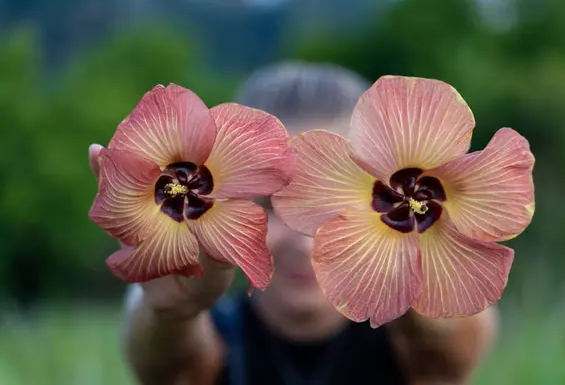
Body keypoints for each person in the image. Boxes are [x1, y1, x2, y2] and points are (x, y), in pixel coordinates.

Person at [88, 62, 499, 385]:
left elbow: (451, 353)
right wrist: (172, 315)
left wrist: (415, 264)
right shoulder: (222, 333)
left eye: (332, 211)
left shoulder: (405, 331)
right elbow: (169, 369)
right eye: (271, 204)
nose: (305, 243)